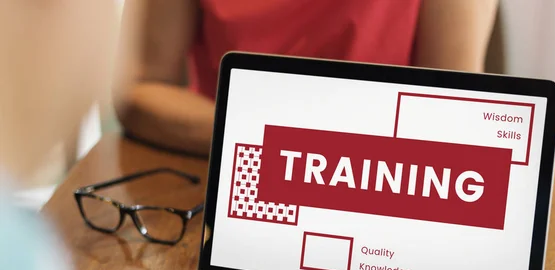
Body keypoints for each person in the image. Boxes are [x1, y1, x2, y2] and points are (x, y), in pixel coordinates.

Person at [0, 1, 442, 270]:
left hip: (394, 212)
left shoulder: (22, 261)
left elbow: (452, 105)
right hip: (249, 204)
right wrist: (284, 143)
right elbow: (140, 89)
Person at [115, 0, 498, 157]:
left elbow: (453, 118)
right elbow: (140, 90)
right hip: (228, 183)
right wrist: (281, 146)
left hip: (380, 186)